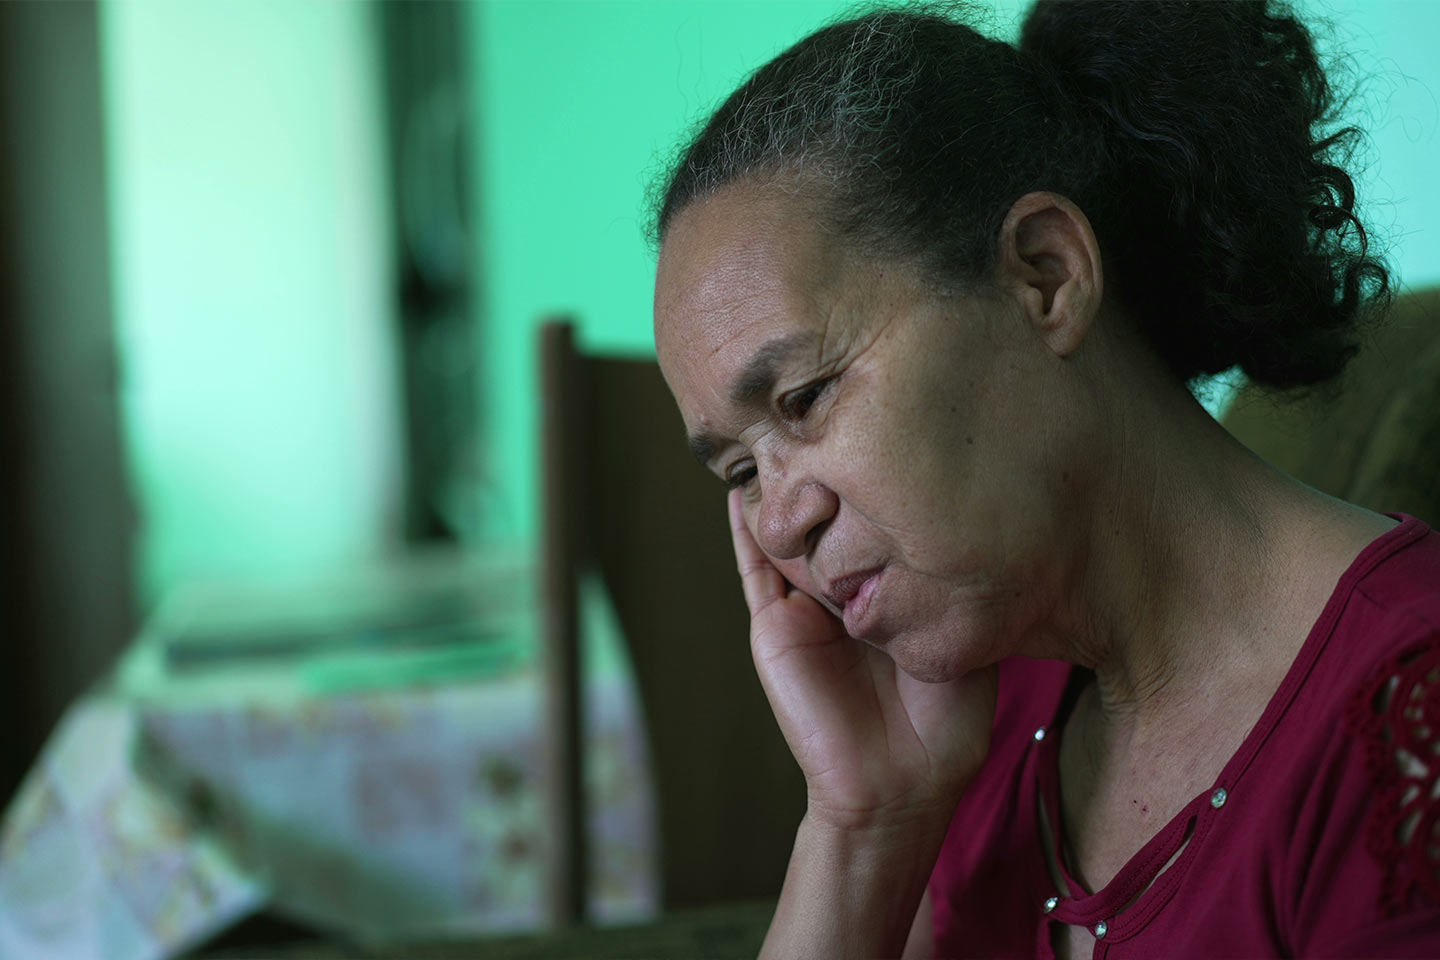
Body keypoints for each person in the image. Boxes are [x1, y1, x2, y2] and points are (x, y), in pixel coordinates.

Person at [650, 1, 1440, 957]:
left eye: (806, 397)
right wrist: (864, 827)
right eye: (738, 471)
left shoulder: (1402, 729)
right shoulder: (981, 717)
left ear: (1046, 275)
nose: (778, 526)